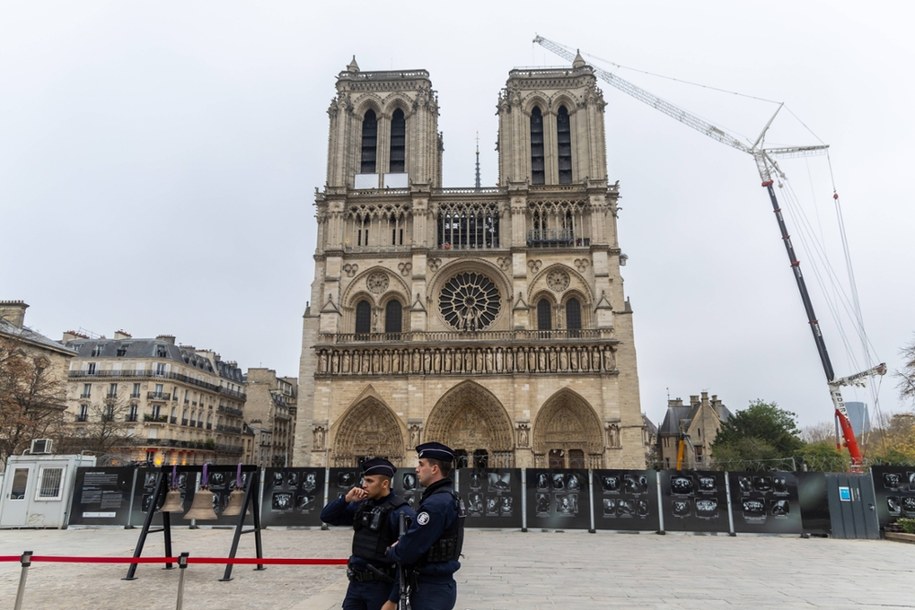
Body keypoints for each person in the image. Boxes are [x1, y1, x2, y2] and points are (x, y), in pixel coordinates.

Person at [320, 458, 415, 610]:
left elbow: (407, 560)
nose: (364, 485)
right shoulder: (362, 505)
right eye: (364, 480)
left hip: (381, 587)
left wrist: (393, 599)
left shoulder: (400, 512)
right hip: (356, 585)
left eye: (370, 481)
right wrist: (346, 499)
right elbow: (326, 517)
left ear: (384, 484)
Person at [386, 442, 463, 610]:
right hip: (437, 586)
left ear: (434, 469)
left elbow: (411, 548)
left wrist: (393, 550)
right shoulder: (446, 497)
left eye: (421, 464)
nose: (416, 469)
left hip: (431, 590)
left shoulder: (436, 504)